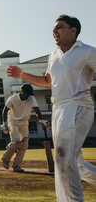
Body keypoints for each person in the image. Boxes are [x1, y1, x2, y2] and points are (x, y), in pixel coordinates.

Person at [6, 14, 96, 201]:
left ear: (73, 31)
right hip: (59, 109)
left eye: (59, 27)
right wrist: (23, 74)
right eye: (53, 29)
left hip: (78, 106)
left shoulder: (87, 51)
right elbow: (48, 81)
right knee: (72, 161)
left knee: (64, 158)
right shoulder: (53, 55)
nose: (54, 31)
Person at [0, 83, 46, 173]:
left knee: (24, 144)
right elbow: (5, 111)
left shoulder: (31, 98)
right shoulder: (13, 98)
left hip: (24, 122)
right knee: (17, 141)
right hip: (13, 122)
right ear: (21, 92)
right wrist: (4, 123)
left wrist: (42, 121)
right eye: (27, 94)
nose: (28, 96)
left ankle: (17, 165)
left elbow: (37, 110)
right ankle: (6, 159)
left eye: (29, 94)